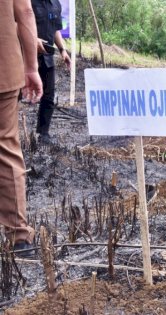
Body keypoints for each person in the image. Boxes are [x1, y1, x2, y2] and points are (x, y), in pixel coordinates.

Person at [1, 0, 43, 254]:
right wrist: (31, 67)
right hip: (4, 67)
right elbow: (25, 11)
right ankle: (19, 237)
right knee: (6, 147)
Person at [31, 0, 71, 144]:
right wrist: (32, 39)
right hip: (25, 55)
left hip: (46, 57)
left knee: (49, 96)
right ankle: (7, 134)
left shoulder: (56, 4)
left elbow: (55, 30)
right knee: (14, 94)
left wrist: (63, 50)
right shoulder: (27, 2)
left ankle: (43, 134)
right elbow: (14, 24)